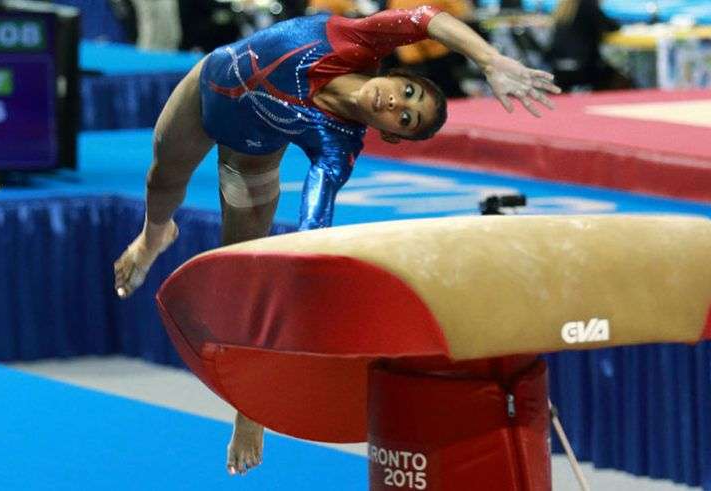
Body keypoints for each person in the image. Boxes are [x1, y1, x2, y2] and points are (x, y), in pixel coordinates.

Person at [113, 5, 560, 476]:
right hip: (208, 82)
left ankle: (250, 413)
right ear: (394, 74)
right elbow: (428, 19)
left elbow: (313, 221)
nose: (397, 104)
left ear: (390, 137)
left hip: (250, 156)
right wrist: (488, 60)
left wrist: (299, 263)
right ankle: (152, 238)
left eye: (406, 118)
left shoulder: (338, 145)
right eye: (408, 92)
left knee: (243, 278)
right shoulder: (352, 40)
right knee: (163, 178)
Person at [547, 0, 627, 92]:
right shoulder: (588, 5)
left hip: (557, 67)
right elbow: (612, 26)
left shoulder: (563, 7)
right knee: (620, 77)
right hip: (583, 66)